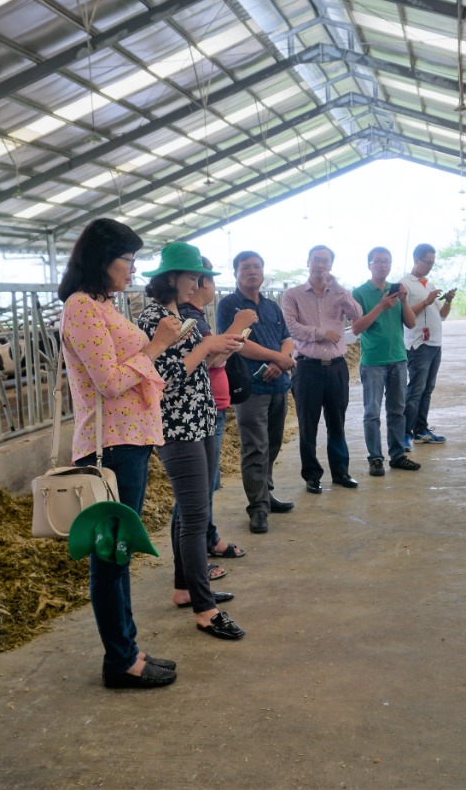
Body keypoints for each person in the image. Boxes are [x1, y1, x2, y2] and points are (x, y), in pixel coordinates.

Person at [60, 218, 183, 688]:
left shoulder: (102, 304)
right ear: (102, 259)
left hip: (129, 440)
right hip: (109, 445)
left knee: (119, 551)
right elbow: (109, 382)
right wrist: (158, 346)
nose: (133, 269)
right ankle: (120, 661)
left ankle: (128, 647)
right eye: (127, 259)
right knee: (110, 556)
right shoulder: (80, 307)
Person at [137, 242, 250, 640]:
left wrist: (216, 349)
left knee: (189, 513)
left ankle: (185, 589)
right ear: (170, 278)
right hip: (177, 426)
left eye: (199, 278)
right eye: (191, 277)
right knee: (196, 516)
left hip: (199, 420)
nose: (197, 284)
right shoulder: (153, 318)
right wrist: (204, 347)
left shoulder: (179, 315)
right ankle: (205, 610)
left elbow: (198, 364)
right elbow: (162, 380)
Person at [217, 250, 295, 534]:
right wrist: (278, 358)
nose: (252, 271)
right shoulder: (229, 305)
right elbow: (238, 343)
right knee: (255, 447)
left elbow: (287, 338)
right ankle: (258, 507)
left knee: (272, 443)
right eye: (246, 267)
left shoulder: (272, 306)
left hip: (278, 385)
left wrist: (281, 360)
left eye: (257, 267)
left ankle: (266, 494)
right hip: (251, 388)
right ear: (236, 273)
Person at [280, 245, 363, 494]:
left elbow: (357, 314)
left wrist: (339, 289)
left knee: (337, 422)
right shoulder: (293, 295)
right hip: (307, 368)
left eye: (325, 261)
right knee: (308, 424)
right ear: (308, 262)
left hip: (337, 367)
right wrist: (321, 333)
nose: (320, 265)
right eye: (316, 260)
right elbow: (291, 327)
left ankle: (341, 472)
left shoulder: (339, 294)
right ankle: (312, 475)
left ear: (331, 265)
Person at [181, 255, 247, 565]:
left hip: (211, 407)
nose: (207, 285)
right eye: (205, 279)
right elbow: (207, 362)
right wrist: (238, 327)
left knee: (206, 484)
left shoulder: (196, 316)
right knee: (196, 490)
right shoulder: (186, 317)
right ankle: (195, 559)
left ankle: (207, 540)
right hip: (197, 411)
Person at [352, 246, 420, 477]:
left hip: (399, 359)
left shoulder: (397, 291)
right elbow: (357, 328)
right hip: (373, 361)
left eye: (386, 261)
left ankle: (398, 455)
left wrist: (404, 300)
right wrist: (381, 307)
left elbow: (411, 323)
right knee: (372, 412)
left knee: (397, 411)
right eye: (378, 261)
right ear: (369, 265)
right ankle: (375, 458)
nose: (382, 265)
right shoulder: (359, 293)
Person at [399, 243, 455, 450]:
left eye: (433, 262)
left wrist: (447, 301)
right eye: (427, 262)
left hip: (434, 343)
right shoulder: (404, 284)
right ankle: (404, 434)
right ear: (416, 259)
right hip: (418, 344)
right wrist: (427, 301)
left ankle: (421, 430)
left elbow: (442, 315)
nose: (430, 266)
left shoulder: (429, 285)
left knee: (427, 390)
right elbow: (403, 314)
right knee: (416, 390)